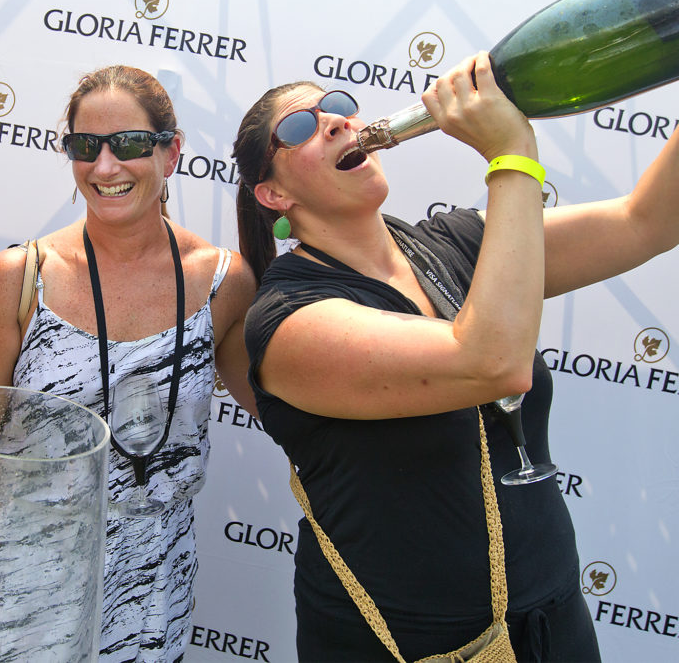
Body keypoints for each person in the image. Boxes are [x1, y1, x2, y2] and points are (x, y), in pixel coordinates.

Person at [229, 50, 679, 660]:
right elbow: (491, 363)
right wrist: (511, 156)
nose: (333, 121)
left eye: (335, 107)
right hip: (410, 645)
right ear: (273, 193)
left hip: (553, 616)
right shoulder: (288, 321)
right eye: (300, 128)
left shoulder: (459, 241)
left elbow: (646, 221)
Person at [0, 65, 257, 662]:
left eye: (129, 144)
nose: (105, 168)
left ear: (172, 151)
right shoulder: (18, 278)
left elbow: (275, 402)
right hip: (19, 577)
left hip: (154, 582)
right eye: (86, 147)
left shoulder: (224, 282)